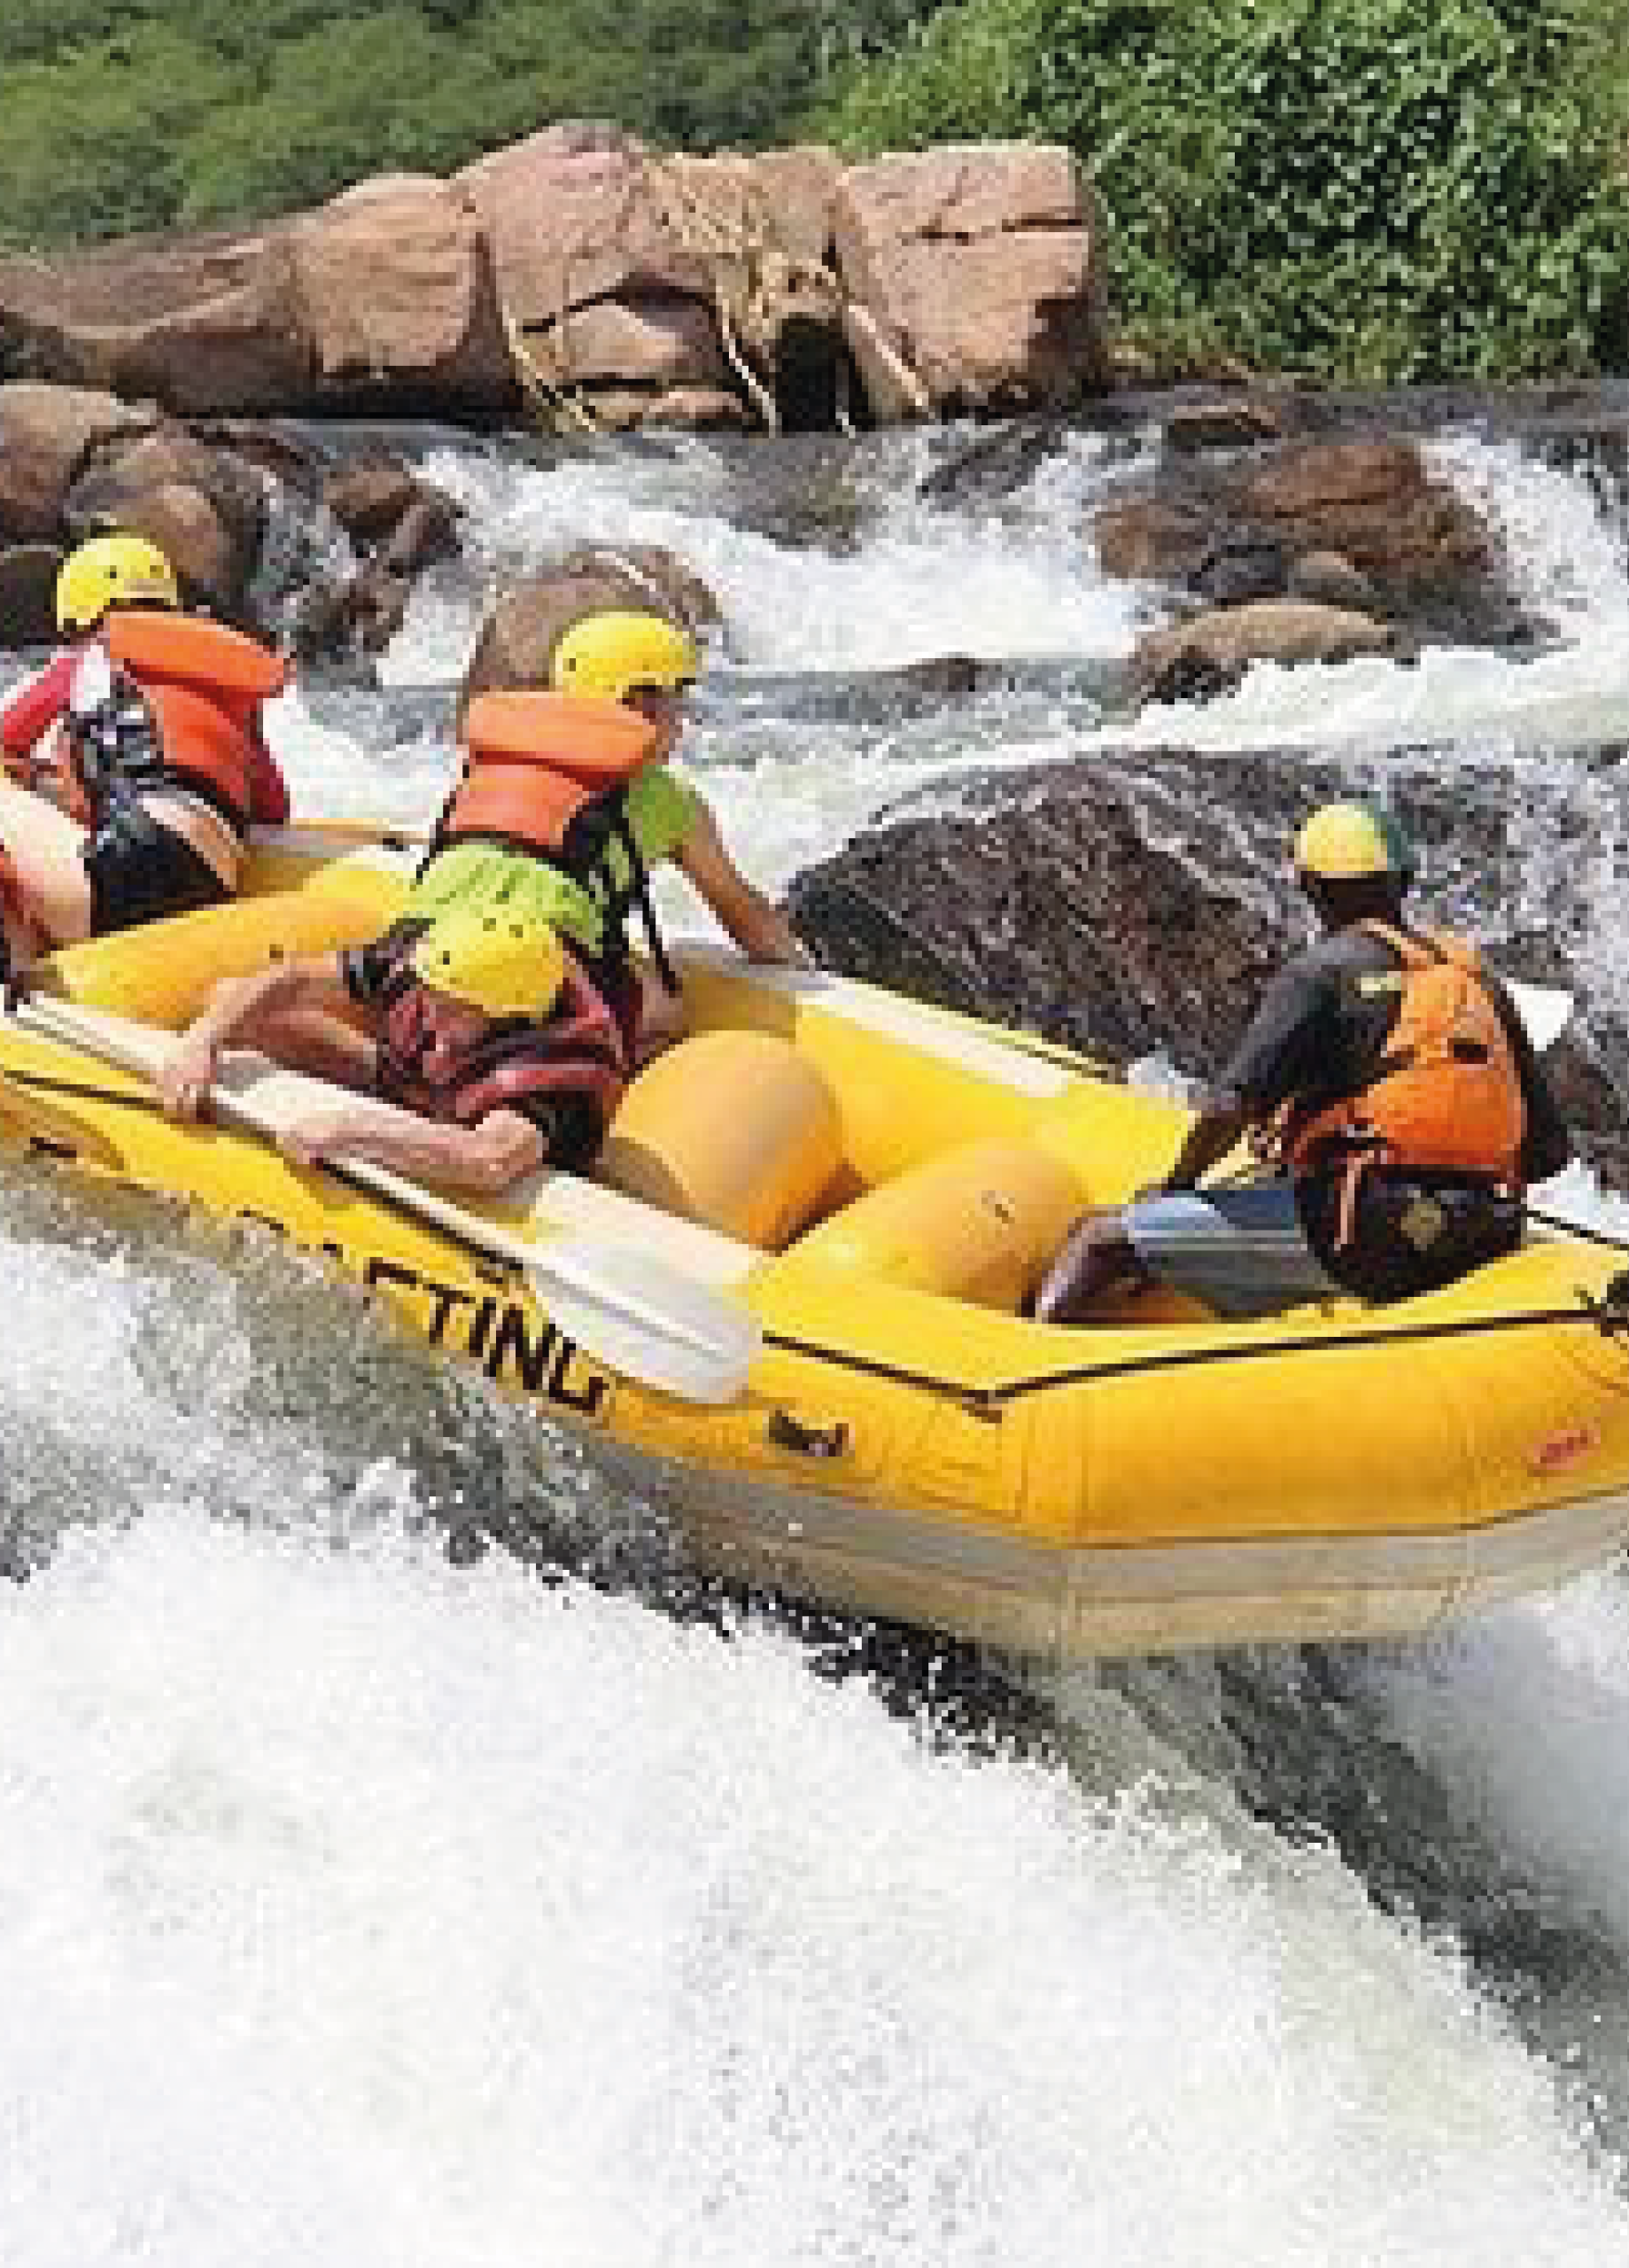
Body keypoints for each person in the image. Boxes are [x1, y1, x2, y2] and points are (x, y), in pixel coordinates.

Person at [1035, 799, 1571, 1323]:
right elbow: (1548, 1150)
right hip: (1481, 1228)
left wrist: (1176, 1188)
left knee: (1101, 1239)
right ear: (1404, 881)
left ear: (1313, 890)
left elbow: (1232, 1107)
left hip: (1364, 1234)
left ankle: (1029, 1368)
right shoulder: (1477, 982)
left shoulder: (1321, 973)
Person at [415, 606, 811, 1060]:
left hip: (423, 952)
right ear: (641, 705)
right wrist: (804, 974)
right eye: (676, 700)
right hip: (537, 975)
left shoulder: (499, 761)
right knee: (667, 1014)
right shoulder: (670, 801)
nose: (681, 722)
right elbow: (749, 923)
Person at [159, 892, 627, 1195]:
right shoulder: (425, 958)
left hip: (482, 1138)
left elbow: (489, 1160)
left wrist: (353, 1129)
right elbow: (293, 979)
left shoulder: (560, 1066)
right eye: (432, 996)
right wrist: (203, 1041)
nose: (432, 1012)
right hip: (412, 1084)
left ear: (511, 1017)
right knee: (229, 1001)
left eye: (455, 1009)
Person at [0, 532, 291, 970]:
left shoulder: (88, 661)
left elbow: (6, 742)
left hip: (122, 882)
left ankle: (13, 963)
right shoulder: (225, 677)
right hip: (211, 891)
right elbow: (273, 809)